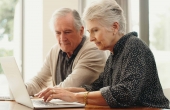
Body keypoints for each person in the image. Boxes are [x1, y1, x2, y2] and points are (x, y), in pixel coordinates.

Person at [35, 0, 170, 108]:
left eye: (95, 30)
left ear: (115, 27)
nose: (91, 38)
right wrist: (64, 92)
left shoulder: (134, 46)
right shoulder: (113, 54)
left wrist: (75, 97)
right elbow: (96, 87)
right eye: (89, 32)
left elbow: (124, 93)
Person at [25, 8, 108, 96]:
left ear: (80, 31)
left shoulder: (93, 50)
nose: (62, 38)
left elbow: (69, 87)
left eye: (67, 32)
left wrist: (46, 93)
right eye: (58, 33)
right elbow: (39, 81)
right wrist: (22, 89)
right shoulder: (55, 50)